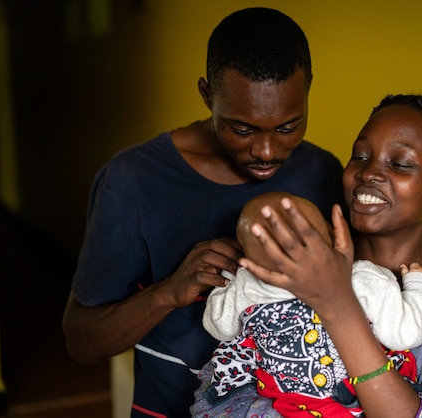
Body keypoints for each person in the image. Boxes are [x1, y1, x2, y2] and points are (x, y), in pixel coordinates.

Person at [61, 7, 345, 418]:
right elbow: (81, 342)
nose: (266, 152)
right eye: (242, 129)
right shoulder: (133, 181)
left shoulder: (323, 173)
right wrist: (170, 291)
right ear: (207, 94)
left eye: (288, 127)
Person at [195, 94, 422, 417]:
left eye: (399, 163)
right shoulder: (289, 264)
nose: (368, 173)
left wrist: (337, 304)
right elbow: (225, 392)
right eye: (359, 157)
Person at [196, 191, 422, 416]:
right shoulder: (364, 279)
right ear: (336, 236)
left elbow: (218, 326)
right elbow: (406, 334)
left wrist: (227, 281)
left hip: (287, 406)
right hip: (360, 402)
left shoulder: (245, 286)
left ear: (248, 258)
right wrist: (420, 286)